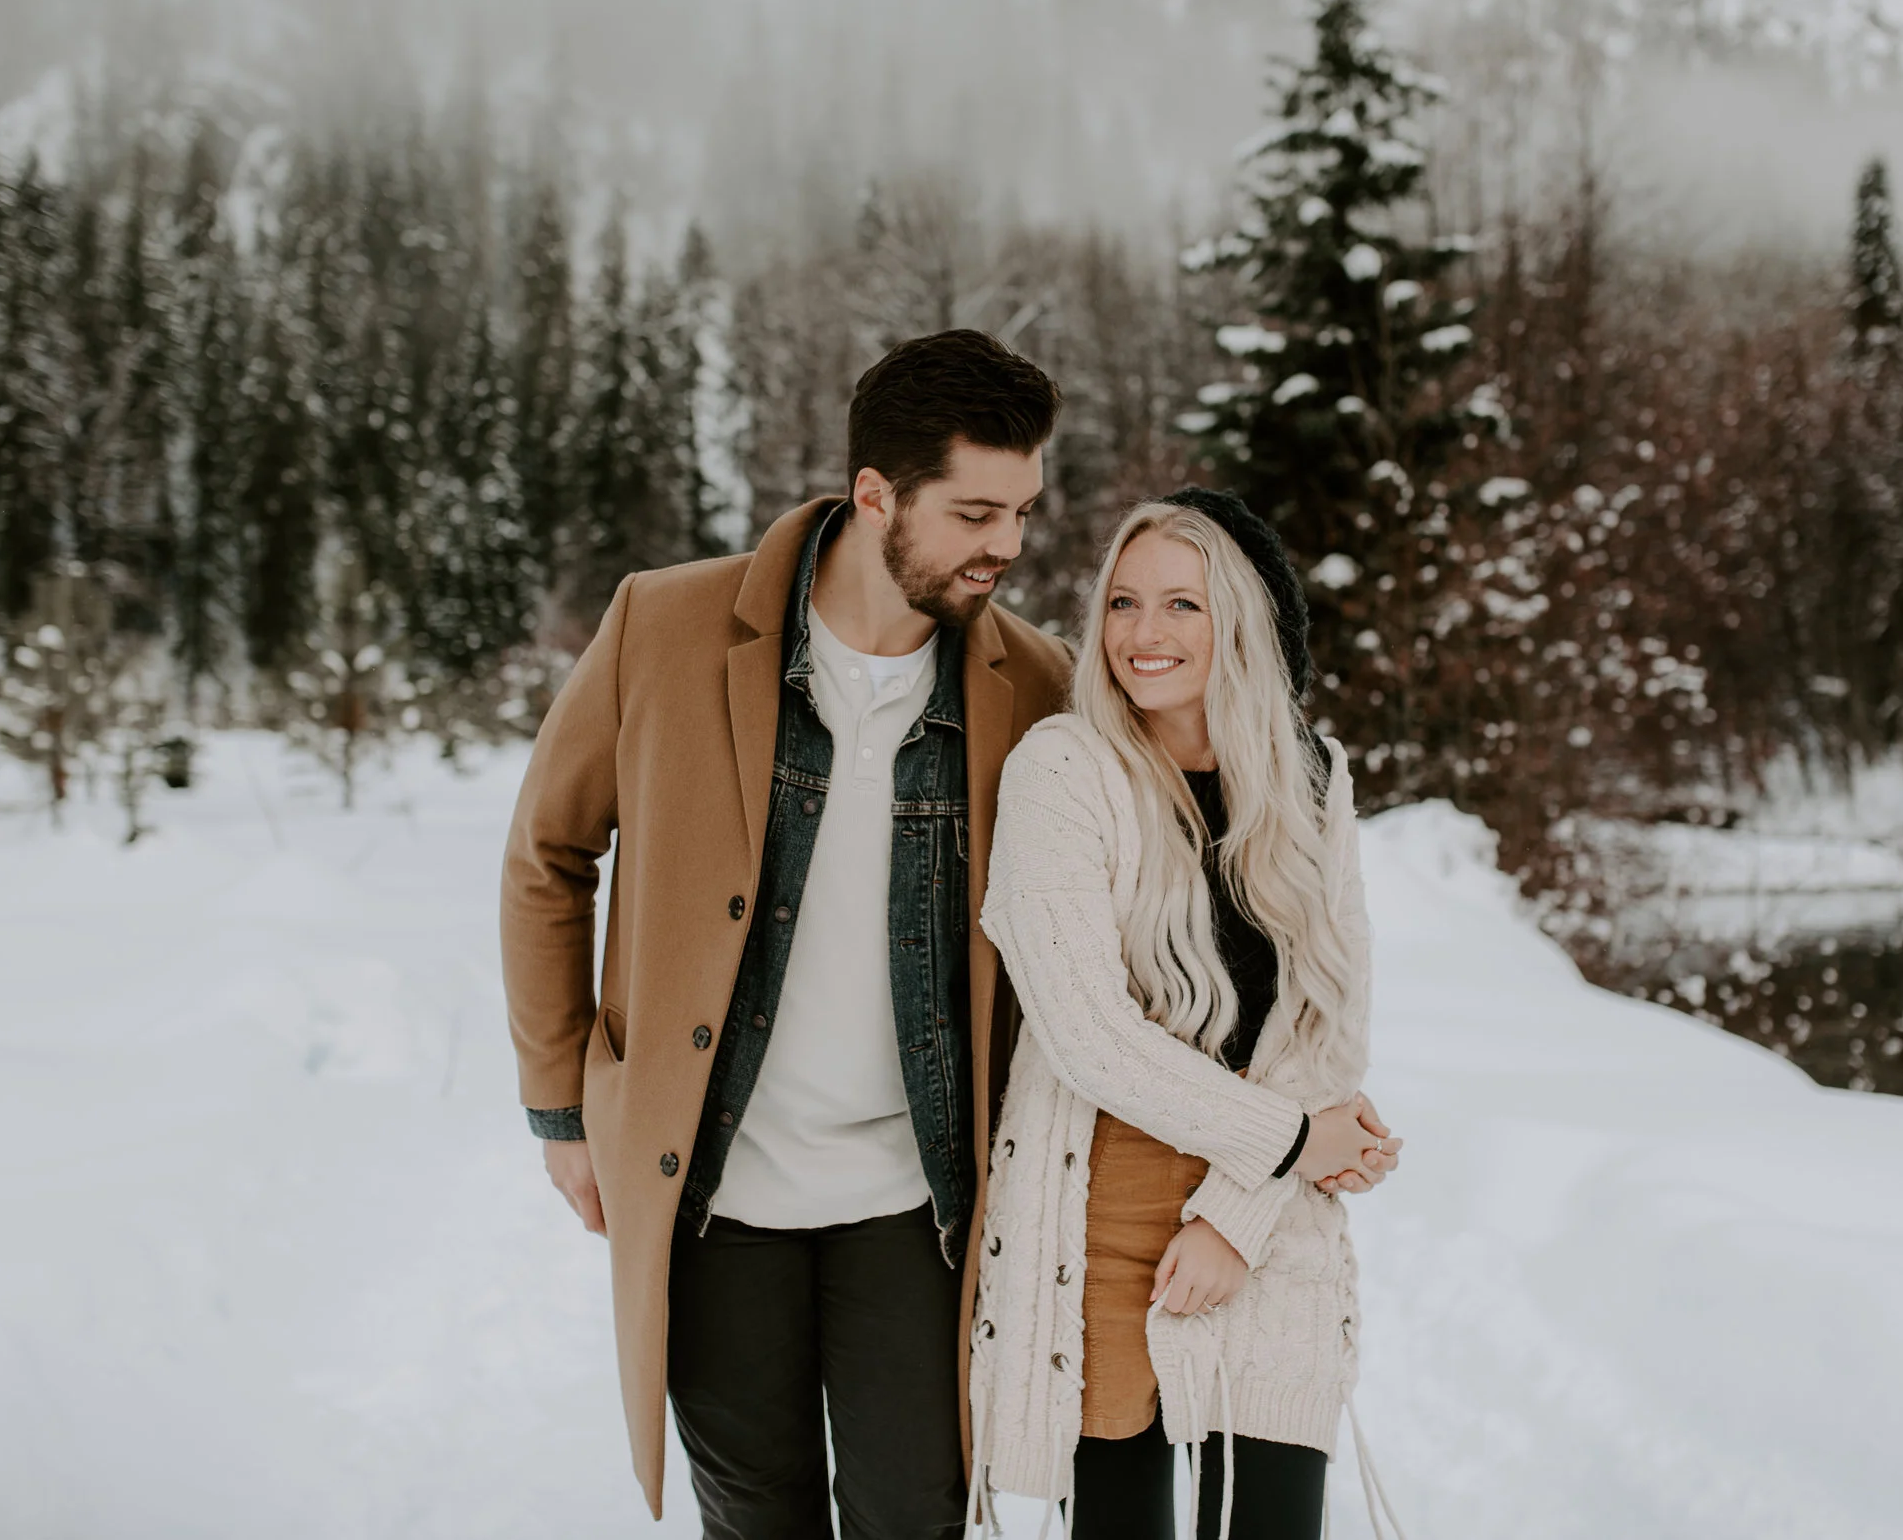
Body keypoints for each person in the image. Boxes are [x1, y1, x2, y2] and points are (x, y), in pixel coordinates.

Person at [497, 329, 1074, 1538]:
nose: (1009, 546)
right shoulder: (662, 625)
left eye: (1022, 511)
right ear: (876, 495)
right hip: (712, 1189)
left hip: (918, 1204)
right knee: (756, 1518)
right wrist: (561, 1108)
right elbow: (548, 854)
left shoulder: (1037, 686)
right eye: (975, 513)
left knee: (917, 1517)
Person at [970, 489, 1403, 1539]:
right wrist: (1296, 1138)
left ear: (1240, 621)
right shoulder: (1062, 769)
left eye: (1181, 604)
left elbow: (1330, 1017)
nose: (1142, 633)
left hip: (1266, 1208)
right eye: (1122, 603)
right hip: (1104, 1199)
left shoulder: (1311, 776)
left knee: (1273, 1515)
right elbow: (1087, 1034)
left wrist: (1234, 1215)